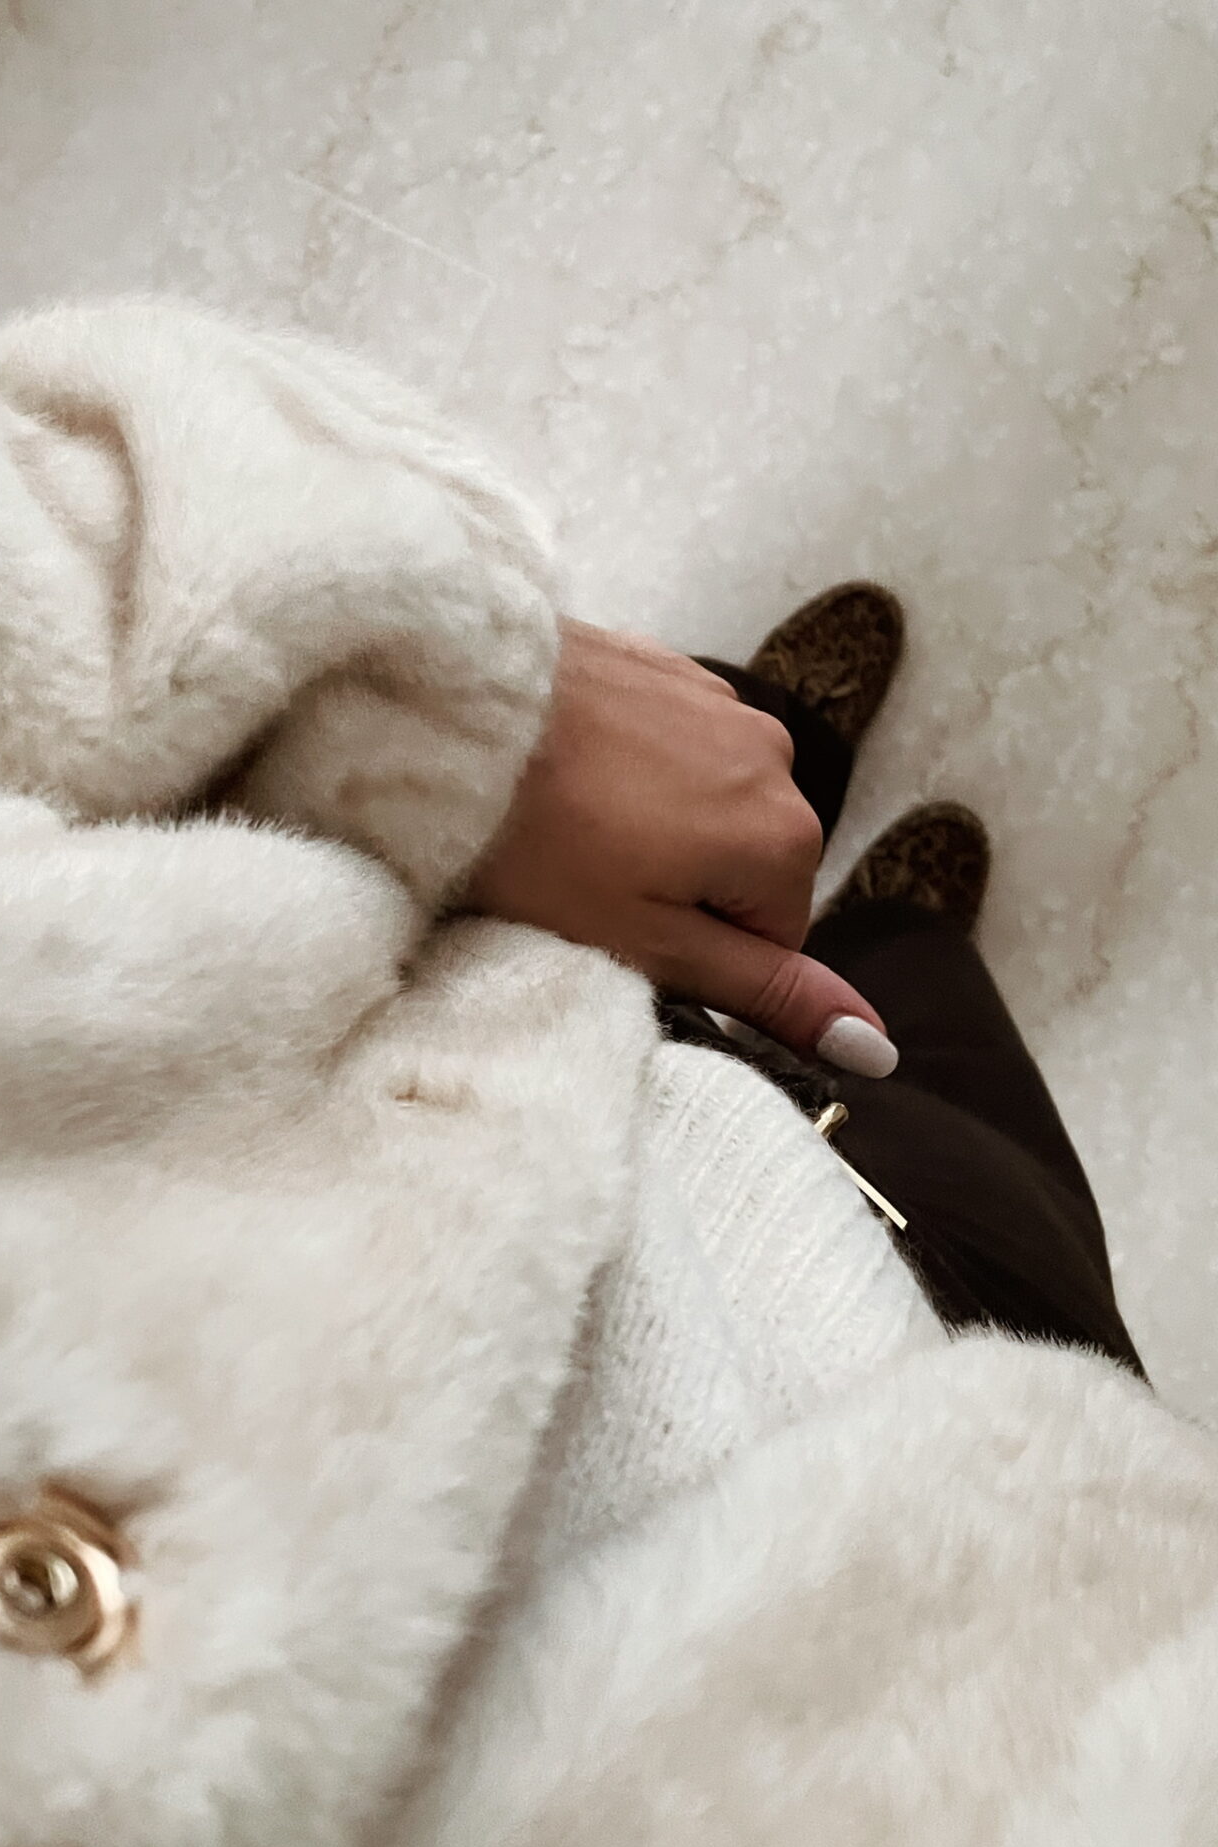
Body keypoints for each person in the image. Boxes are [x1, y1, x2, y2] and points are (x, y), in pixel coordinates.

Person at [0, 295, 1213, 1847]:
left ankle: (763, 772)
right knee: (941, 1077)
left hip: (403, 986)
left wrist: (433, 721)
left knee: (685, 817)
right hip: (1005, 1474)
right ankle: (896, 951)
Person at [471, 590, 1143, 1377]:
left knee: (668, 778)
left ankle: (790, 746)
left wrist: (453, 750)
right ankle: (887, 932)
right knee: (944, 1058)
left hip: (484, 1037)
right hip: (980, 1347)